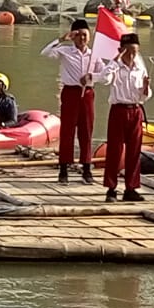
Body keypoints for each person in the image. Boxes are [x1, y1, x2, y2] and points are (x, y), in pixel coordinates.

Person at [41, 19, 102, 184]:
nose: (81, 38)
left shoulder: (94, 55)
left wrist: (91, 77)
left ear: (89, 36)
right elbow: (45, 53)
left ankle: (86, 168)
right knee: (67, 131)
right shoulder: (65, 51)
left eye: (84, 35)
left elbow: (106, 76)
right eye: (78, 35)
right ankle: (63, 169)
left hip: (87, 93)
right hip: (70, 93)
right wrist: (62, 39)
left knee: (86, 131)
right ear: (73, 36)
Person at [98, 32, 151, 203]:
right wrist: (115, 60)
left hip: (135, 110)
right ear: (122, 50)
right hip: (118, 110)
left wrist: (146, 88)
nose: (132, 55)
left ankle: (131, 188)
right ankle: (111, 188)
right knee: (115, 150)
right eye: (129, 51)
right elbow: (104, 79)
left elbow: (144, 96)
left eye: (135, 51)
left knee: (134, 150)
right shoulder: (115, 66)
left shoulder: (140, 67)